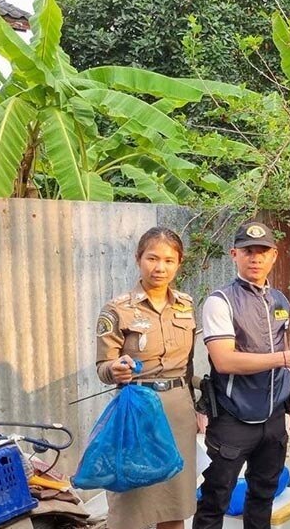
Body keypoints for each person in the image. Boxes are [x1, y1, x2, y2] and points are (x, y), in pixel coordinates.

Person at [193, 221, 290, 529]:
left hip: (274, 418)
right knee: (215, 498)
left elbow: (283, 349)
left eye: (262, 251)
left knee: (263, 494)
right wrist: (282, 358)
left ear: (274, 256)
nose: (255, 258)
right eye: (248, 251)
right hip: (233, 417)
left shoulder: (280, 301)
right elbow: (224, 361)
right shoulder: (220, 301)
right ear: (234, 254)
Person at [95, 227, 201, 529]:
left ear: (179, 263)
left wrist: (198, 410)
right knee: (131, 502)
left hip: (178, 411)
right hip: (136, 411)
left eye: (169, 260)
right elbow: (103, 366)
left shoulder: (186, 304)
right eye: (152, 258)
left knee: (173, 503)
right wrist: (115, 370)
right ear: (138, 259)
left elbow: (189, 364)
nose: (160, 267)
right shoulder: (117, 309)